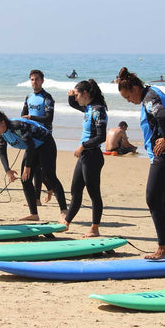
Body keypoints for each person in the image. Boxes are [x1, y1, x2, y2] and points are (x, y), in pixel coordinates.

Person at [118, 67, 165, 259]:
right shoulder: (154, 92)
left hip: (164, 154)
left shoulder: (149, 98)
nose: (129, 101)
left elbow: (161, 115)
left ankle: (163, 248)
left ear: (135, 88)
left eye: (128, 97)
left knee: (153, 199)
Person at [0, 107, 68, 221]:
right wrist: (8, 170)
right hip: (33, 148)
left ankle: (64, 211)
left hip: (45, 143)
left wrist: (28, 166)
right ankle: (34, 214)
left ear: (3, 122)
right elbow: (2, 152)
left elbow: (30, 145)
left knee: (49, 176)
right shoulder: (1, 134)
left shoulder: (17, 126)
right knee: (25, 179)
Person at [62, 79, 108, 237]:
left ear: (86, 94)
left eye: (77, 95)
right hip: (85, 157)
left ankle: (95, 228)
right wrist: (70, 96)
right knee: (75, 190)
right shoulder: (88, 108)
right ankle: (66, 222)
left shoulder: (98, 110)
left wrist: (83, 146)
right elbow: (74, 104)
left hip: (93, 156)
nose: (76, 98)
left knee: (94, 193)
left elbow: (101, 137)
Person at [21, 69, 54, 205]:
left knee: (41, 170)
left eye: (37, 79)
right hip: (32, 138)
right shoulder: (29, 97)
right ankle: (38, 197)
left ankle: (38, 198)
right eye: (32, 79)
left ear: (42, 81)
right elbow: (23, 115)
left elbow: (49, 118)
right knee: (30, 168)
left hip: (44, 138)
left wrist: (32, 117)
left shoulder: (47, 98)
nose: (34, 82)